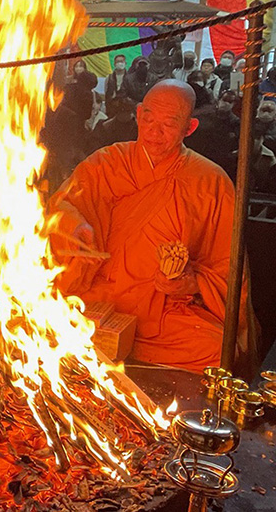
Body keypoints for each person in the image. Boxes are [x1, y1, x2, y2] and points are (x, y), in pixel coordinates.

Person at [49, 80, 251, 373]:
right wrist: (76, 229)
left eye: (169, 124)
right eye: (149, 119)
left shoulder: (210, 181)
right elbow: (61, 209)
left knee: (219, 352)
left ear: (189, 128)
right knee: (38, 321)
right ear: (139, 114)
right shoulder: (107, 162)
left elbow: (228, 269)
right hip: (101, 299)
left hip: (163, 311)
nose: (155, 132)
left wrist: (191, 281)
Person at [184, 90, 240, 176]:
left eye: (230, 102)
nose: (226, 104)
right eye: (225, 100)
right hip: (203, 155)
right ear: (219, 100)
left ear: (233, 104)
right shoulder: (205, 114)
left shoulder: (235, 123)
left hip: (222, 159)